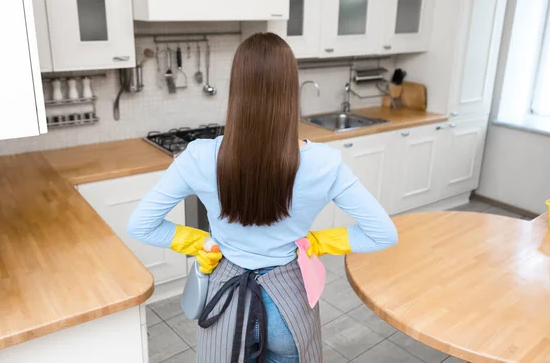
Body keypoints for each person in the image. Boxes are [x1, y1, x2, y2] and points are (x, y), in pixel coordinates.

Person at [127, 33, 398, 363]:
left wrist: (199, 243)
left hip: (226, 303)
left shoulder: (197, 157)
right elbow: (382, 233)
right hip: (289, 305)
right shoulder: (324, 163)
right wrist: (319, 242)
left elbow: (141, 226)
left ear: (236, 88)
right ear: (291, 90)